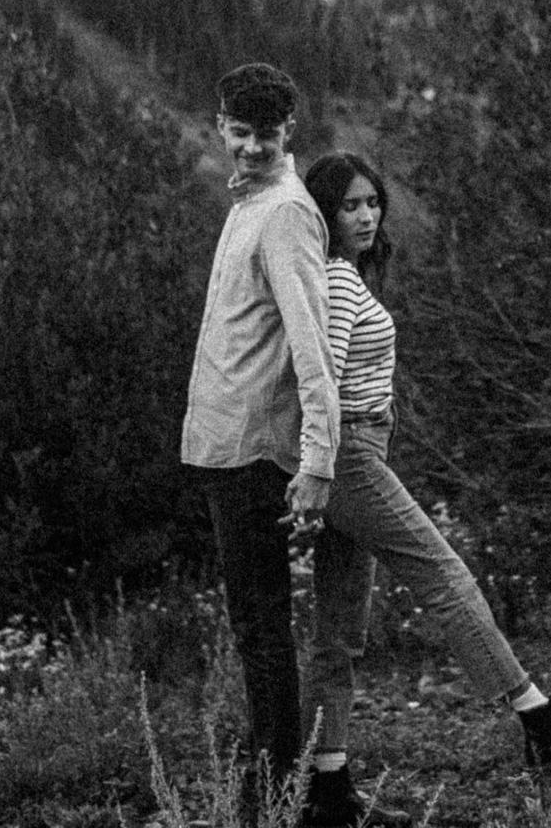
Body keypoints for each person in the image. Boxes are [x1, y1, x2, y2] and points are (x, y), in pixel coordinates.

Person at [298, 151, 551, 828]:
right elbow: (318, 378)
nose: (365, 216)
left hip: (349, 451)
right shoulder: (337, 280)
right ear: (324, 213)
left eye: (372, 202)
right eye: (349, 205)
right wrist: (321, 464)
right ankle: (544, 724)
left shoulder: (337, 276)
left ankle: (328, 788)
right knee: (444, 575)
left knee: (338, 632)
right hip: (347, 454)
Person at [179, 63, 339, 821]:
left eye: (265, 136)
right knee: (255, 627)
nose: (250, 147)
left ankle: (278, 796)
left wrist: (317, 462)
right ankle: (276, 789)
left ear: (288, 132)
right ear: (219, 125)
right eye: (239, 132)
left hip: (252, 451)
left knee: (263, 629)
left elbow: (314, 348)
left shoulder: (283, 213)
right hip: (223, 446)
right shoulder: (249, 202)